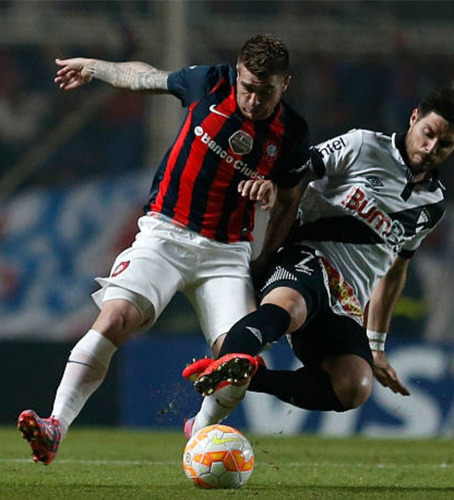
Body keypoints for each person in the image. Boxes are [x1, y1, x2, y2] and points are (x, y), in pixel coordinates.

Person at [17, 34, 310, 465]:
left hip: (226, 253)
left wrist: (266, 252)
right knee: (116, 316)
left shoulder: (292, 133)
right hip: (165, 234)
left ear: (285, 84)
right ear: (237, 73)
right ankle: (55, 425)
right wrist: (95, 66)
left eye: (265, 91)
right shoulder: (210, 83)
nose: (253, 99)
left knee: (239, 359)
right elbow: (145, 77)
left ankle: (202, 428)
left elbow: (288, 202)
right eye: (247, 87)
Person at [183, 83, 454, 436]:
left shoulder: (433, 206)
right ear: (414, 118)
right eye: (428, 133)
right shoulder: (364, 145)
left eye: (444, 144)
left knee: (354, 385)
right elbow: (301, 169)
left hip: (346, 301)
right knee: (290, 309)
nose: (430, 148)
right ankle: (221, 383)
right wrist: (273, 184)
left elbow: (396, 269)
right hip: (306, 257)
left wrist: (376, 345)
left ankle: (246, 372)